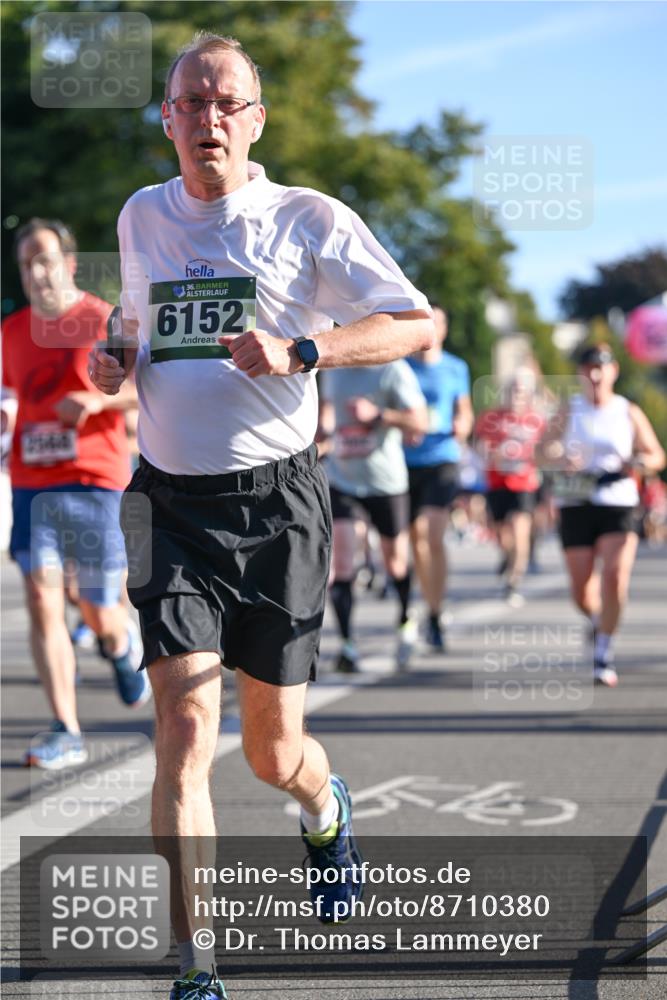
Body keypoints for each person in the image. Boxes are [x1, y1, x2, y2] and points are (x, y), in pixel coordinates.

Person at [88, 33, 433, 1000]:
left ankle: (323, 806)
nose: (206, 119)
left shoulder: (305, 218)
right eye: (188, 103)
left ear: (255, 120)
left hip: (277, 505)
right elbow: (132, 323)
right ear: (166, 117)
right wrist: (111, 362)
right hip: (166, 503)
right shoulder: (141, 215)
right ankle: (196, 962)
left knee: (270, 749)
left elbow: (413, 320)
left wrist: (302, 350)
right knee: (184, 728)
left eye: (224, 103)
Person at [1, 218, 148, 770]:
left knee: (95, 604)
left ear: (70, 263)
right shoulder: (11, 331)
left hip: (94, 478)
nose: (35, 272)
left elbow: (151, 391)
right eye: (25, 263)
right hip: (31, 481)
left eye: (44, 258)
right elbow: (8, 399)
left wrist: (98, 404)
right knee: (42, 598)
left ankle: (118, 641)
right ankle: (66, 728)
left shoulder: (102, 318)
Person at [537, 343, 665, 687]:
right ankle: (596, 620)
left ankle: (603, 652)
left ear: (613, 372)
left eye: (601, 368)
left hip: (617, 500)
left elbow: (657, 455)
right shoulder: (569, 409)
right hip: (575, 499)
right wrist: (560, 457)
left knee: (614, 577)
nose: (595, 374)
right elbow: (541, 451)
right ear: (581, 373)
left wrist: (637, 463)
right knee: (581, 591)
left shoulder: (627, 411)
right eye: (589, 368)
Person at [318, 362, 428, 672]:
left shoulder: (394, 371)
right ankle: (347, 645)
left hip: (386, 482)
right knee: (341, 565)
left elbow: (420, 422)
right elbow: (326, 411)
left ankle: (406, 619)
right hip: (342, 479)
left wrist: (378, 415)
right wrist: (321, 433)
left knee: (395, 563)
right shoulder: (333, 367)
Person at [403, 305, 473, 649]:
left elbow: (465, 412)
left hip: (442, 457)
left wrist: (462, 427)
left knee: (433, 533)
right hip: (405, 459)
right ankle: (428, 604)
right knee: (416, 539)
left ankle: (435, 610)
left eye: (435, 322)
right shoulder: (400, 366)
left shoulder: (456, 368)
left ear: (443, 330)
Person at [474, 368, 546, 606]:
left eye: (521, 391)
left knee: (519, 530)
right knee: (501, 535)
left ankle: (513, 582)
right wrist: (491, 453)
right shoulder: (491, 417)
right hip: (496, 482)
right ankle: (506, 556)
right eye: (513, 389)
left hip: (524, 483)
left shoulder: (536, 420)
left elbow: (547, 450)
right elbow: (479, 446)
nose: (516, 395)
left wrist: (538, 458)